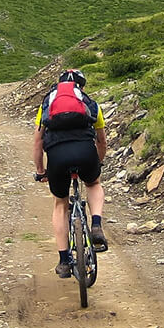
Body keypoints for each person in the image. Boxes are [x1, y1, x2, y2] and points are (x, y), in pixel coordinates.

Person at [32, 69, 108, 278]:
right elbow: (101, 141)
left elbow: (38, 143)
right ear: (81, 87)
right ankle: (96, 224)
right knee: (93, 184)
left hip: (57, 156)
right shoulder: (91, 104)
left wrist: (40, 171)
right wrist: (97, 164)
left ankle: (64, 260)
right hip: (85, 151)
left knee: (60, 203)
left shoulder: (47, 106)